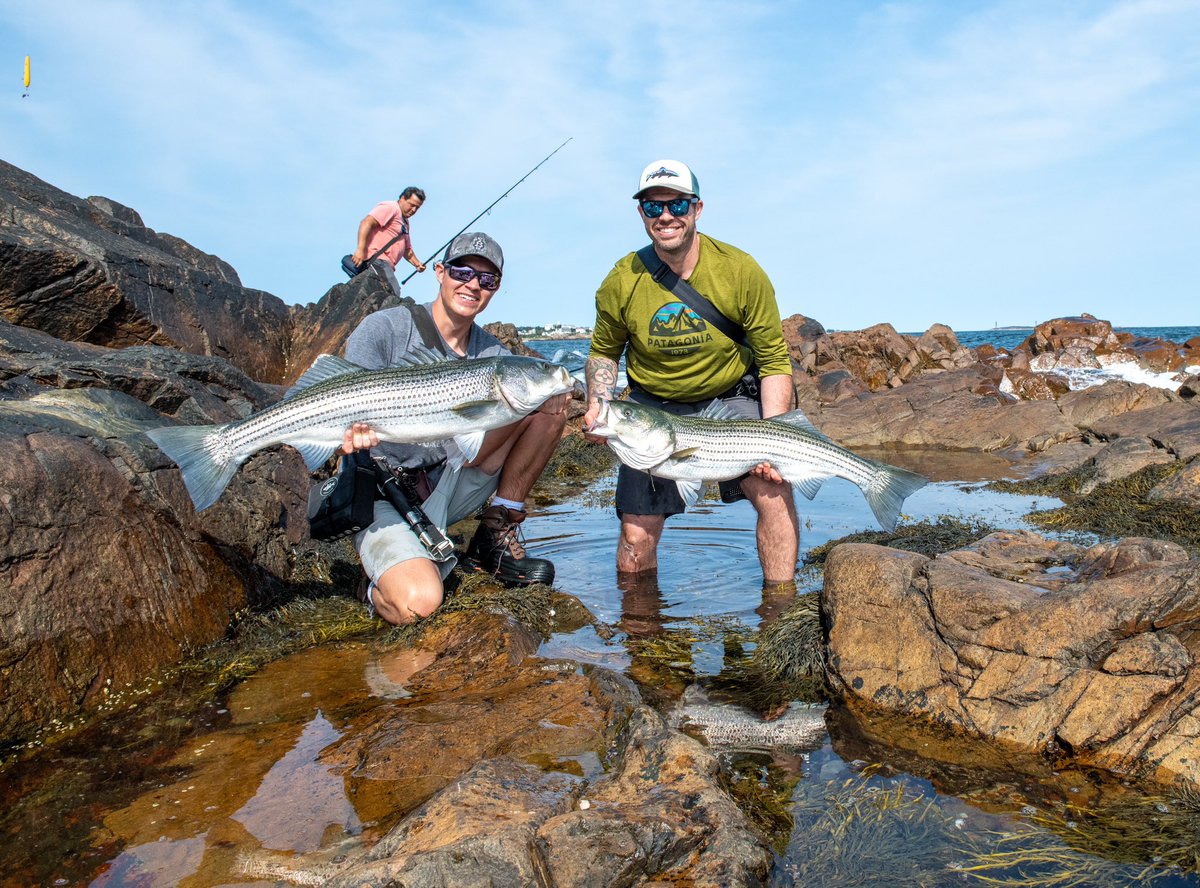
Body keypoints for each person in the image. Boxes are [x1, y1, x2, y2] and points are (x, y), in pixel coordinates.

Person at [583, 159, 799, 587]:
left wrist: (775, 439)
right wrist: (598, 405)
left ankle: (778, 608)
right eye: (653, 207)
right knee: (635, 535)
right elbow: (603, 354)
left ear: (697, 209)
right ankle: (643, 636)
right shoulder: (621, 279)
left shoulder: (740, 270)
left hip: (728, 394)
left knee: (773, 493)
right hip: (654, 406)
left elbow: (774, 360)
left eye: (677, 205)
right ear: (641, 214)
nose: (666, 216)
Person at [340, 231, 568, 625]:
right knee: (420, 603)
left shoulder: (493, 354)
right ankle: (377, 582)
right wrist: (348, 436)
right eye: (463, 272)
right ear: (440, 272)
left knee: (548, 405)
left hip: (451, 481)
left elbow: (480, 446)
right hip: (384, 493)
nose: (472, 285)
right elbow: (340, 397)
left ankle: (494, 534)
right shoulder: (386, 329)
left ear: (495, 289)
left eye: (487, 279)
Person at [351, 187, 428, 294]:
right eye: (412, 205)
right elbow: (366, 223)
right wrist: (360, 250)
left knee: (391, 294)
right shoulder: (391, 207)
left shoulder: (405, 222)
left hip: (386, 266)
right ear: (402, 199)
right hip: (377, 261)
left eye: (417, 208)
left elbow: (407, 250)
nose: (414, 210)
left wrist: (417, 264)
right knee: (393, 292)